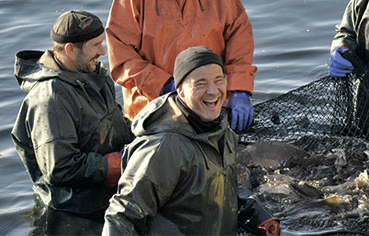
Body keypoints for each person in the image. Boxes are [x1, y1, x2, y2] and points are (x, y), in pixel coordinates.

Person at [103, 46, 280, 235]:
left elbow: (224, 193)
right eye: (200, 83)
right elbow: (122, 215)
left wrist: (259, 218)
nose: (213, 91)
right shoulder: (163, 147)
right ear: (180, 91)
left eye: (218, 80)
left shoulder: (224, 132)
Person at [106, 0, 257, 131]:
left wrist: (240, 89)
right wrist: (166, 86)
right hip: (153, 107)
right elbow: (122, 59)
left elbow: (240, 35)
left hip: (210, 101)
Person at [11, 10, 133, 223]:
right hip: (73, 211)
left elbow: (113, 125)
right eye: (95, 45)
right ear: (70, 50)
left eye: (102, 43)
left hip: (110, 196)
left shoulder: (94, 75)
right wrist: (109, 166)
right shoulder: (50, 98)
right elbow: (59, 168)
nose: (103, 51)